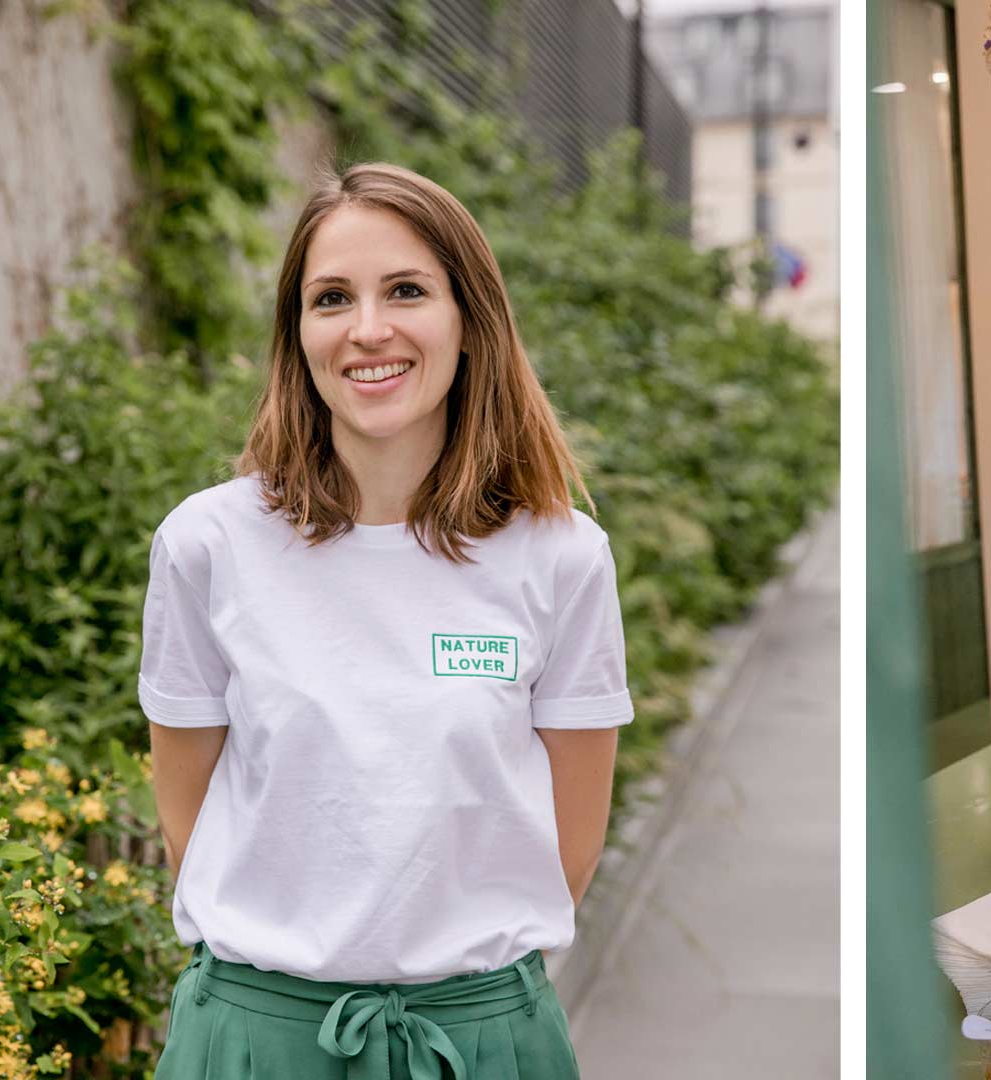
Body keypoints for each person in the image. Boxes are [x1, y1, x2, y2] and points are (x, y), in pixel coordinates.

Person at [141, 162, 627, 1078]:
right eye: (332, 298)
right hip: (255, 1042)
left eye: (406, 289)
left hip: (481, 1042)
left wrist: (446, 970)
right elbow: (186, 820)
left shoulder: (561, 558)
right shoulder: (207, 544)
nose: (369, 329)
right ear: (298, 335)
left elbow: (573, 841)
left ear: (469, 323)